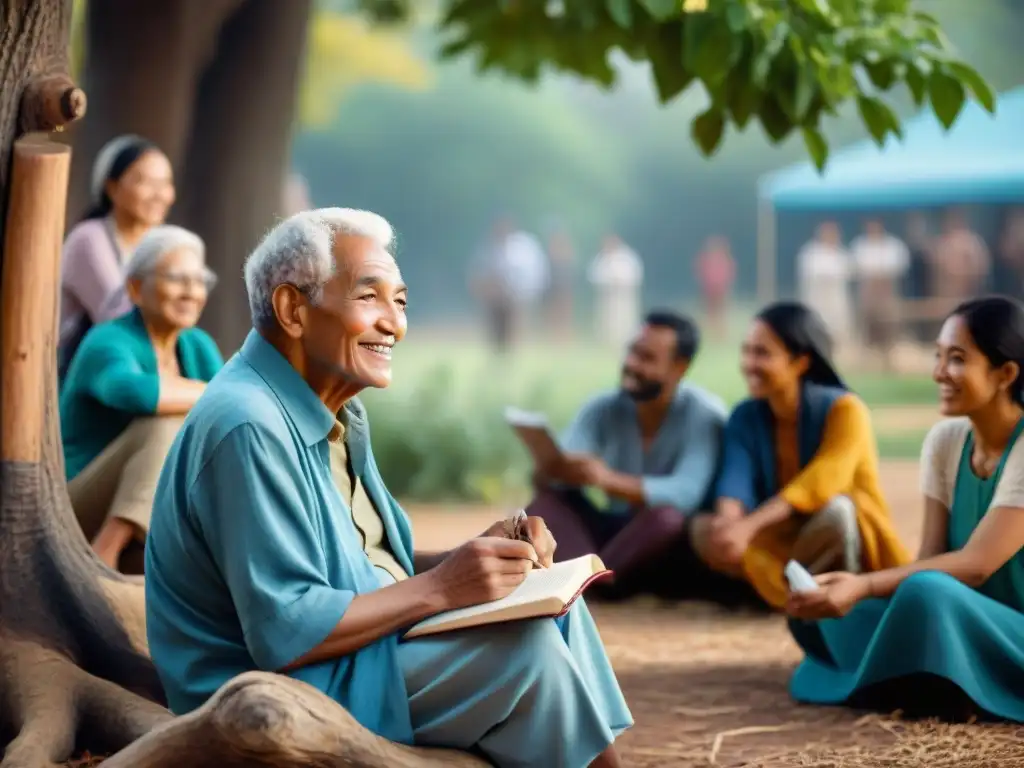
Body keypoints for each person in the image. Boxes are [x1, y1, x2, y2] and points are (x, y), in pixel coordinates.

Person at [144, 208, 632, 768]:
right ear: (292, 309)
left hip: (355, 651)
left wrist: (482, 558)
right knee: (528, 653)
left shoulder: (339, 411)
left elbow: (366, 566)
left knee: (555, 610)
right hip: (273, 691)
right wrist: (445, 587)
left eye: (399, 301)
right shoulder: (248, 424)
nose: (394, 324)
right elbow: (285, 634)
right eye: (368, 296)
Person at [787, 296, 1024, 722]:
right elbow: (931, 559)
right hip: (963, 621)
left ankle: (927, 680)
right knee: (833, 613)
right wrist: (850, 592)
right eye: (938, 356)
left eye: (956, 359)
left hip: (1012, 633)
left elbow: (974, 567)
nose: (938, 373)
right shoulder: (947, 441)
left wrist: (864, 584)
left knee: (924, 591)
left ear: (1006, 373)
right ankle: (936, 678)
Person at [695, 302, 911, 609]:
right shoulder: (746, 415)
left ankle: (830, 592)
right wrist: (729, 524)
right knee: (702, 528)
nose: (749, 363)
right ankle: (790, 592)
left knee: (839, 512)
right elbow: (735, 480)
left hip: (834, 534)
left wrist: (748, 527)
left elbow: (820, 483)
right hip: (778, 537)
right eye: (747, 351)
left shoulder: (846, 411)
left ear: (800, 361)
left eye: (763, 353)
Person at [527, 311, 732, 601]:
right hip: (612, 530)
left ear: (679, 368)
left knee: (667, 518)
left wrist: (607, 479)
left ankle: (591, 579)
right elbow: (562, 473)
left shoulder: (705, 416)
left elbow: (687, 494)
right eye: (632, 352)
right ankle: (597, 578)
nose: (632, 365)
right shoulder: (602, 407)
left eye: (647, 358)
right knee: (546, 504)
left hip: (660, 541)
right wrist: (553, 468)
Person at [60, 225, 222, 572]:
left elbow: (227, 417)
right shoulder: (107, 341)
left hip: (155, 504)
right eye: (177, 279)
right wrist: (219, 394)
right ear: (135, 288)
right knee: (164, 422)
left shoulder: (197, 345)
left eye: (199, 281)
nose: (191, 292)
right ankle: (105, 550)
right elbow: (134, 393)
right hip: (77, 504)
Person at [59, 134, 176, 381]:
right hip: (80, 377)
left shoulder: (164, 244)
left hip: (140, 367)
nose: (159, 194)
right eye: (145, 182)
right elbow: (120, 316)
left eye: (165, 183)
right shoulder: (89, 239)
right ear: (111, 187)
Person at [850, 219, 910, 365]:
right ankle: (866, 360)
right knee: (866, 325)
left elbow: (899, 268)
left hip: (887, 290)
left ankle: (889, 358)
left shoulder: (892, 245)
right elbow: (855, 269)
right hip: (867, 291)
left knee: (888, 323)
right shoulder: (860, 245)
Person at [796, 222, 853, 347]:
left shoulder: (841, 254)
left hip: (836, 298)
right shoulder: (811, 252)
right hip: (817, 296)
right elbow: (808, 273)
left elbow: (848, 273)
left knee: (837, 326)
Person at [588, 234, 644, 349]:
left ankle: (625, 342)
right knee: (605, 320)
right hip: (607, 296)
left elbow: (634, 275)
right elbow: (594, 276)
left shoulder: (626, 257)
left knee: (623, 319)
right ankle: (605, 342)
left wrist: (620, 282)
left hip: (623, 296)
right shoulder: (602, 257)